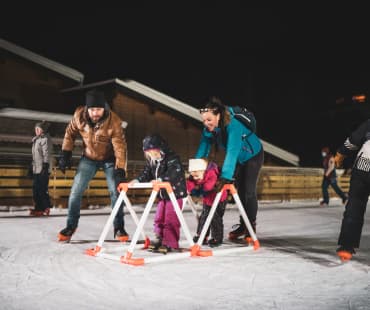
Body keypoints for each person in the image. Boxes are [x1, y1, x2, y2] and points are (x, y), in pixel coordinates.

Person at [57, 89, 128, 242]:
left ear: (104, 108)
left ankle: (119, 227)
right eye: (93, 109)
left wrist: (120, 168)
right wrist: (65, 153)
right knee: (76, 191)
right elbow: (69, 134)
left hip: (109, 159)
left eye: (99, 109)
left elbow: (120, 147)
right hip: (88, 158)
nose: (96, 113)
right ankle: (71, 225)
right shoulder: (78, 116)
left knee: (116, 191)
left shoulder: (114, 121)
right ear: (87, 108)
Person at [194, 96, 264, 242]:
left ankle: (250, 226)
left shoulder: (233, 125)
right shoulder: (210, 128)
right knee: (238, 190)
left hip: (253, 155)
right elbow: (203, 148)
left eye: (209, 120)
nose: (206, 123)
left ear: (218, 115)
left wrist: (225, 175)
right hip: (238, 158)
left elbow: (232, 151)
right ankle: (243, 225)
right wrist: (195, 170)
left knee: (248, 191)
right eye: (204, 120)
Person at [122, 134, 187, 254]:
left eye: (154, 152)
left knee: (170, 219)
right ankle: (160, 238)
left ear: (161, 149)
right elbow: (146, 173)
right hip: (162, 196)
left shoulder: (172, 158)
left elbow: (174, 172)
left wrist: (161, 180)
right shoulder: (152, 161)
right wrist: (137, 180)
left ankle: (170, 242)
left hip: (175, 194)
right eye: (149, 153)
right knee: (159, 218)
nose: (152, 155)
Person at [334, 118, 370, 261]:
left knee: (355, 205)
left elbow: (354, 140)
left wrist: (340, 154)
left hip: (362, 166)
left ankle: (346, 247)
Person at [186, 158, 228, 247]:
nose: (195, 178)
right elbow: (190, 183)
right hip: (208, 200)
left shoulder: (211, 173)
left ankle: (217, 237)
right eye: (193, 175)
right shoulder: (197, 175)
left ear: (203, 170)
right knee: (204, 217)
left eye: (196, 176)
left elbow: (208, 187)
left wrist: (199, 190)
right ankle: (202, 235)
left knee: (215, 219)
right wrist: (190, 188)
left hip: (219, 200)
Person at [29, 120, 52, 216]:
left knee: (42, 189)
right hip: (36, 169)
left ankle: (45, 207)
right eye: (36, 129)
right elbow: (35, 156)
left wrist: (45, 166)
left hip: (43, 169)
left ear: (42, 130)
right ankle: (38, 207)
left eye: (38, 129)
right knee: (36, 189)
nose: (37, 131)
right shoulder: (36, 140)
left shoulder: (45, 139)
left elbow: (46, 153)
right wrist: (31, 167)